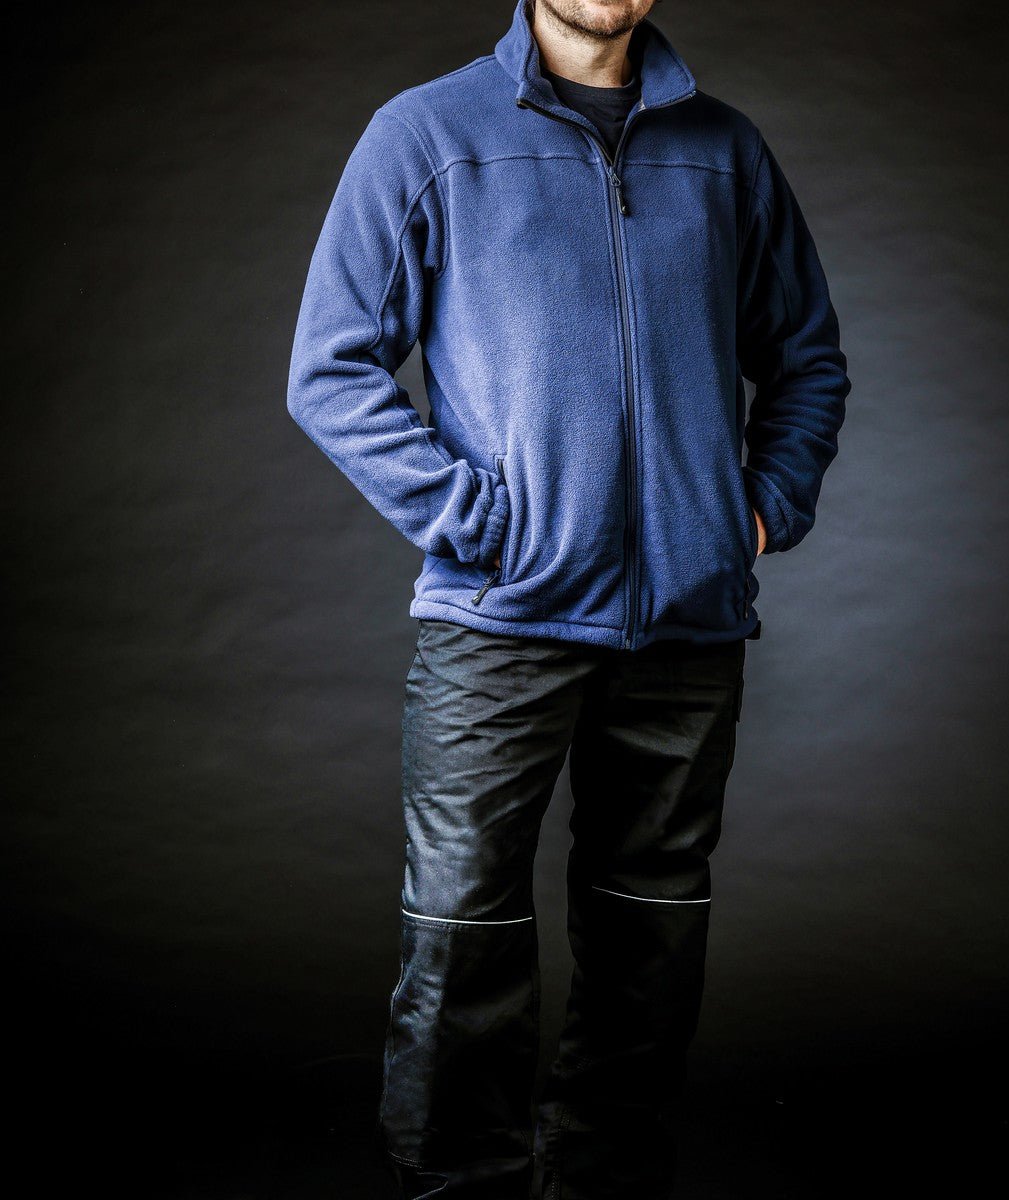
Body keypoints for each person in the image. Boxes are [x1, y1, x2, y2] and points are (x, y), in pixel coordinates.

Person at [286, 1, 850, 1195]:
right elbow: (330, 368)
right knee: (464, 928)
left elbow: (806, 356)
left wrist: (751, 513)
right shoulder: (428, 134)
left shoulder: (726, 149)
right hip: (500, 622)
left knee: (651, 934)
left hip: (688, 628)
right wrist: (477, 524)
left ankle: (605, 1181)